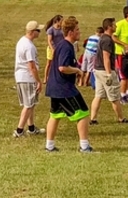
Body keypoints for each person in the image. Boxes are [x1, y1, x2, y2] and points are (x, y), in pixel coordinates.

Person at [45, 16, 93, 153]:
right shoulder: (66, 46)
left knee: (55, 116)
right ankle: (84, 147)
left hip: (54, 87)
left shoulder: (61, 45)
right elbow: (62, 67)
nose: (80, 32)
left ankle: (49, 146)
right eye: (77, 30)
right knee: (83, 113)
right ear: (71, 32)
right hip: (63, 88)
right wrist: (77, 70)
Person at [91, 18, 128, 125]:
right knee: (114, 96)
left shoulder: (103, 38)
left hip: (98, 70)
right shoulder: (107, 40)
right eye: (114, 25)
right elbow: (106, 57)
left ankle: (93, 119)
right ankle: (121, 118)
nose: (116, 26)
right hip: (104, 71)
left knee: (98, 95)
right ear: (109, 27)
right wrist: (109, 74)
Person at [14, 21, 43, 138]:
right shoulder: (29, 46)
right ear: (32, 32)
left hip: (21, 77)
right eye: (38, 30)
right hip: (28, 78)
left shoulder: (22, 41)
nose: (40, 32)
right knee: (29, 105)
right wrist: (38, 81)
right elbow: (31, 66)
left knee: (31, 103)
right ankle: (19, 130)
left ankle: (31, 128)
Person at [43, 15, 63, 81]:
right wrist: (52, 49)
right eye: (61, 21)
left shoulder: (61, 29)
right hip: (52, 49)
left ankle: (55, 77)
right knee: (49, 63)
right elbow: (49, 40)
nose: (62, 22)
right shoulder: (51, 30)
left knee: (58, 63)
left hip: (59, 49)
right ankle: (45, 77)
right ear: (57, 21)